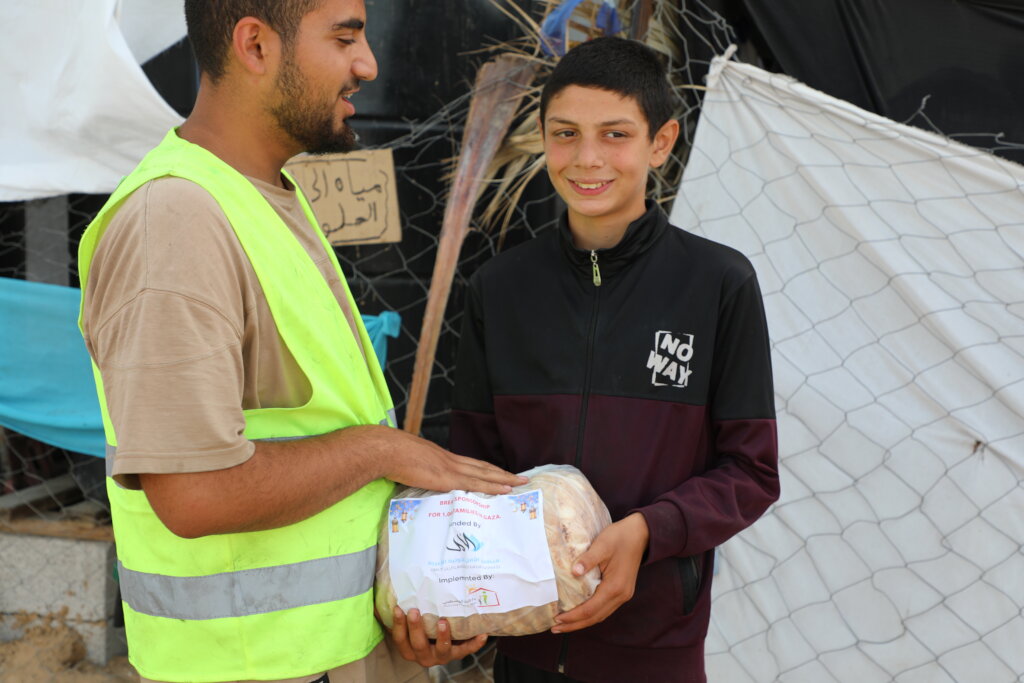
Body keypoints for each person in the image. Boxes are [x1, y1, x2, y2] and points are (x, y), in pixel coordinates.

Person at [77, 1, 518, 682]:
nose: (367, 64)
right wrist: (380, 449)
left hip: (335, 654)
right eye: (344, 38)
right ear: (255, 46)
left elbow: (313, 462)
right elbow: (194, 496)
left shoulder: (263, 196)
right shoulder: (177, 221)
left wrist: (397, 610)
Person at [448, 37, 780, 683]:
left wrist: (647, 532)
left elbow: (751, 470)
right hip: (526, 643)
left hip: (656, 652)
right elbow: (473, 466)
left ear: (661, 142)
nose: (588, 158)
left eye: (615, 134)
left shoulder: (718, 284)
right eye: (565, 133)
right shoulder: (499, 289)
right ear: (542, 137)